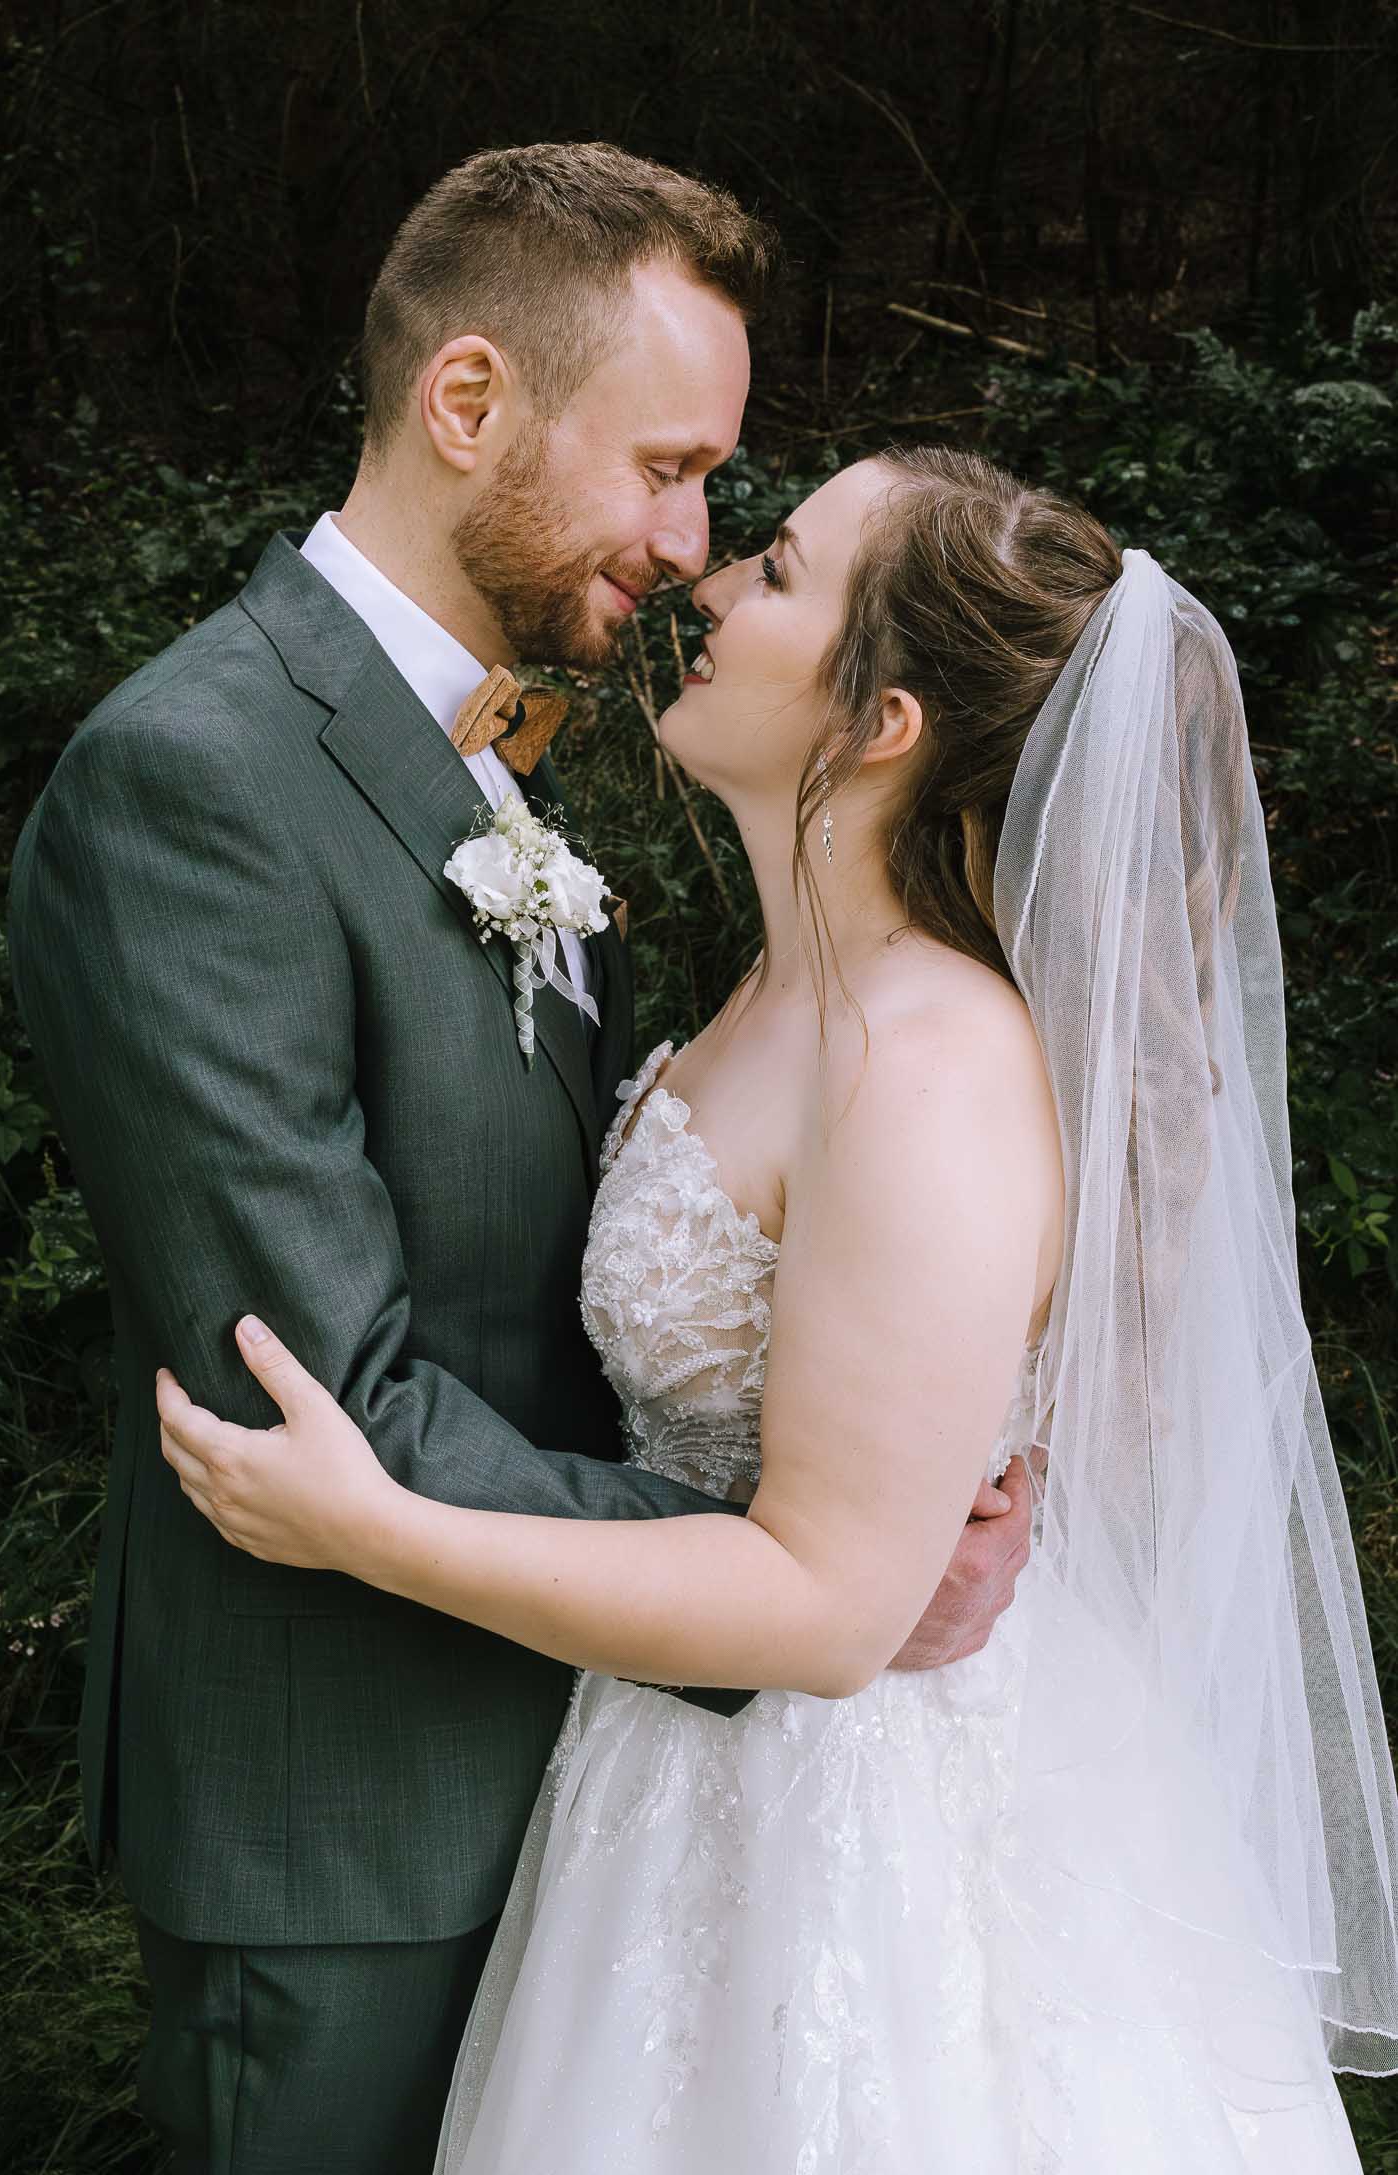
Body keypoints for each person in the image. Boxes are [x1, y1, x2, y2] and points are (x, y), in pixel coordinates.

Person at [162, 444, 1398, 2170]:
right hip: (676, 1778)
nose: (713, 583)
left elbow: (826, 1613)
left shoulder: (928, 1066)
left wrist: (372, 1530)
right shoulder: (779, 992)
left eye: (780, 572)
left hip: (861, 1825)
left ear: (880, 721)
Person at [6, 146, 1029, 2173]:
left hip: (587, 1768)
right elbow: (324, 1393)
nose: (689, 542)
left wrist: (877, 1484)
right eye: (665, 467)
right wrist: (806, 1568)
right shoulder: (193, 780)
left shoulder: (487, 757)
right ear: (467, 400)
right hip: (349, 1817)